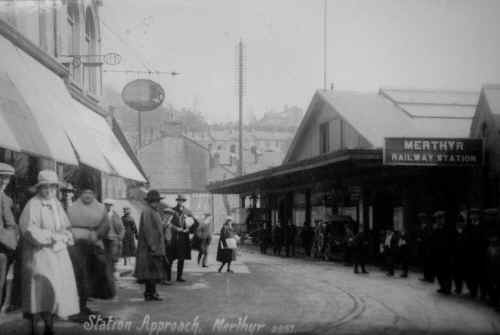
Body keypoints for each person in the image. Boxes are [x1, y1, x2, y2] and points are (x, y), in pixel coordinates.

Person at [19, 170, 79, 335]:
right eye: (45, 188)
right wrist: (52, 237)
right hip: (40, 254)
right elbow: (29, 231)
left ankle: (49, 325)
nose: (49, 191)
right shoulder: (33, 205)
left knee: (55, 290)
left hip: (57, 254)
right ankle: (33, 325)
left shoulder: (56, 204)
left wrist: (66, 235)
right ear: (39, 189)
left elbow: (65, 226)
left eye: (52, 187)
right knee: (39, 288)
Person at [67, 178, 114, 319]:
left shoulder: (101, 208)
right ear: (80, 194)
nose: (87, 195)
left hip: (94, 245)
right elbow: (65, 225)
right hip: (76, 246)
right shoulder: (71, 207)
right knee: (79, 276)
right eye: (84, 192)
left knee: (91, 277)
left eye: (90, 192)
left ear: (94, 194)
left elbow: (105, 225)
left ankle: (84, 305)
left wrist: (97, 233)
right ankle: (76, 308)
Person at [134, 190, 168, 301]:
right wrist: (152, 246)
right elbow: (148, 230)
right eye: (156, 201)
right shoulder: (148, 211)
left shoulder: (153, 211)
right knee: (151, 271)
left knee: (152, 272)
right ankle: (151, 293)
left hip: (154, 247)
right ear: (151, 201)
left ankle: (150, 293)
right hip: (149, 248)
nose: (157, 202)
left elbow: (156, 228)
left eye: (157, 200)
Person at [0, 163, 18, 311]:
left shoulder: (6, 198)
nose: (5, 182)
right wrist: (12, 243)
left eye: (7, 178)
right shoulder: (3, 198)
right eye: (2, 178)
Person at [169, 194, 198, 282]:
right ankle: (167, 277)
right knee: (171, 257)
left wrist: (188, 230)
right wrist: (176, 228)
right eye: (179, 200)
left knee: (181, 258)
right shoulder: (172, 210)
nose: (180, 202)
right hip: (174, 237)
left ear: (184, 201)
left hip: (184, 238)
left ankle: (179, 276)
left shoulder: (188, 211)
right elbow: (168, 223)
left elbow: (195, 223)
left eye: (182, 200)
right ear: (177, 201)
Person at [463, 208, 489, 300]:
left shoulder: (483, 226)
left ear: (478, 216)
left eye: (475, 214)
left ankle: (483, 294)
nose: (473, 216)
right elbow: (465, 239)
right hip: (470, 254)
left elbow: (485, 240)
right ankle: (472, 291)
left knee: (482, 275)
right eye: (472, 214)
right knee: (471, 274)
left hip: (481, 254)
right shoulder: (468, 226)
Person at [432, 211, 453, 295]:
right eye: (437, 219)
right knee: (439, 271)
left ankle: (447, 288)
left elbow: (451, 241)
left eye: (440, 218)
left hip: (446, 253)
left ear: (443, 219)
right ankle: (442, 287)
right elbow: (433, 240)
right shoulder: (435, 229)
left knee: (446, 271)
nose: (439, 220)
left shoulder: (448, 228)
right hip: (437, 253)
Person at [103, 199, 125, 278]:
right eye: (107, 205)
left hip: (114, 239)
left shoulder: (115, 216)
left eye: (110, 205)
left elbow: (121, 228)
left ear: (112, 206)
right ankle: (106, 273)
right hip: (104, 238)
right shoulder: (102, 215)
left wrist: (120, 237)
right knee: (104, 256)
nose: (108, 206)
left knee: (113, 257)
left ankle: (113, 272)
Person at [417, 213, 435, 283]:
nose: (421, 220)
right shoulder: (422, 226)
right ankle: (426, 276)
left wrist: (422, 239)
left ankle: (431, 278)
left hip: (428, 247)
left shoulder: (428, 226)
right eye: (420, 218)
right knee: (425, 263)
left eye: (421, 218)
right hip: (423, 247)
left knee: (429, 263)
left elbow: (429, 236)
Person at [453, 214, 468, 295]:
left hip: (464, 255)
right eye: (458, 223)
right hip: (456, 255)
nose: (459, 224)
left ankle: (469, 289)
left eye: (461, 223)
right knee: (456, 273)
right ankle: (458, 288)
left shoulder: (466, 232)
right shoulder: (454, 232)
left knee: (464, 272)